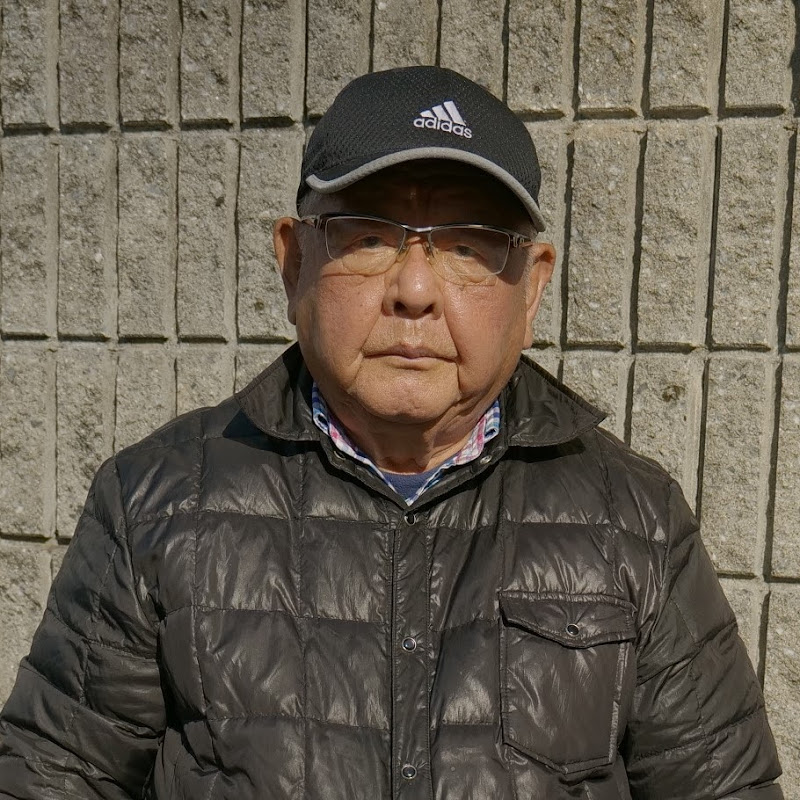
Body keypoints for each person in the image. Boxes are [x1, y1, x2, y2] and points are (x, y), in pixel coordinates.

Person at [0, 66, 783, 799]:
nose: (413, 289)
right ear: (293, 262)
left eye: (468, 246)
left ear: (532, 286)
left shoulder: (636, 523)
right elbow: (52, 776)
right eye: (368, 237)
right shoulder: (155, 504)